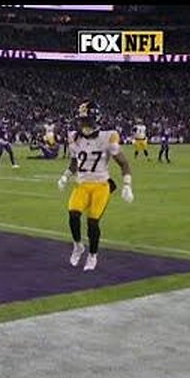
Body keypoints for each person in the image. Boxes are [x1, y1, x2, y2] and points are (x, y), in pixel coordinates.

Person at [57, 101, 133, 271]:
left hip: (101, 186)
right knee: (73, 215)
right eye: (82, 120)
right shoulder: (74, 137)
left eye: (87, 120)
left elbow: (124, 163)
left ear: (95, 119)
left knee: (92, 223)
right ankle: (78, 246)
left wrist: (127, 184)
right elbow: (75, 161)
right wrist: (65, 176)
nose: (83, 124)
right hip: (82, 184)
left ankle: (92, 255)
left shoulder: (108, 137)